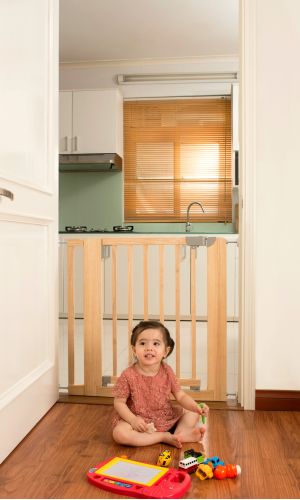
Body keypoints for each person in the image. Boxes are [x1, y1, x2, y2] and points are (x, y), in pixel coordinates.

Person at [112, 320, 209, 448]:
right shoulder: (128, 375)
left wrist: (195, 406)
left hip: (164, 417)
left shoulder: (167, 371)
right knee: (120, 434)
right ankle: (162, 437)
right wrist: (133, 420)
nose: (149, 348)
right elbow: (119, 403)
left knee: (192, 413)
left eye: (156, 343)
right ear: (134, 349)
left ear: (165, 351)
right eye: (142, 343)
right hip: (138, 422)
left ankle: (179, 435)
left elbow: (180, 396)